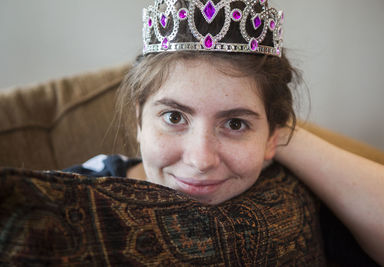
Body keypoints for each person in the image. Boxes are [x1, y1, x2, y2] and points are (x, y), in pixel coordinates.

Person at [65, 0, 384, 265]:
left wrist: (279, 140)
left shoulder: (297, 192)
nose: (200, 160)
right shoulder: (76, 192)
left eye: (235, 124)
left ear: (273, 135)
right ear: (139, 120)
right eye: (174, 116)